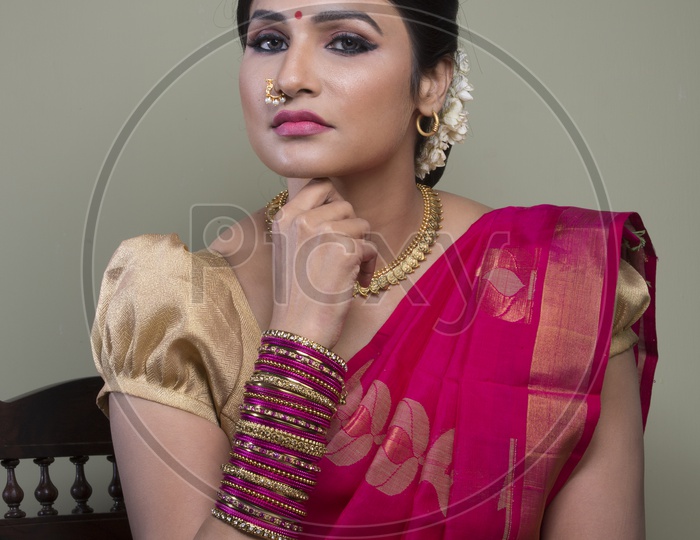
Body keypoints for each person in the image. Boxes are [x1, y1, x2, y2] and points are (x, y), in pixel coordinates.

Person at [91, 0, 657, 538]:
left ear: (431, 82)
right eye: (268, 40)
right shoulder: (171, 306)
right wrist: (299, 343)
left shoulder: (562, 283)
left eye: (345, 41)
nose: (288, 78)